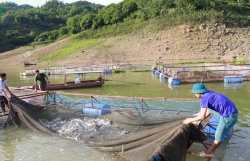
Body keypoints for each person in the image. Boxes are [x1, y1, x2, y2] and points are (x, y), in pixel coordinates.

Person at [183, 83, 238, 158]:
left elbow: (202, 115)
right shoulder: (209, 93)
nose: (195, 95)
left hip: (229, 117)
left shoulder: (203, 98)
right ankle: (198, 121)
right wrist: (198, 119)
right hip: (231, 112)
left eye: (195, 93)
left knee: (218, 136)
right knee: (208, 109)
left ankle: (210, 152)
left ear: (198, 93)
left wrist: (190, 120)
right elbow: (208, 110)